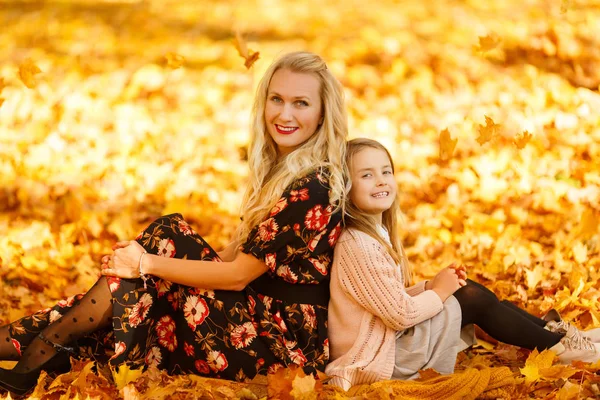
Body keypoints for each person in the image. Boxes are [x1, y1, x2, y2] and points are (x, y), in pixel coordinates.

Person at [0, 51, 349, 396]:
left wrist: (144, 263)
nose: (284, 114)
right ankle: (41, 355)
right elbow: (232, 254)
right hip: (251, 319)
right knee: (137, 284)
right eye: (277, 99)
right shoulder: (286, 170)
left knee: (163, 240)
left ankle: (41, 354)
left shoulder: (314, 186)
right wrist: (142, 269)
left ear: (322, 113)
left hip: (279, 351)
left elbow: (238, 273)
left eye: (300, 103)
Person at [325, 138, 600, 390]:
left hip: (387, 345)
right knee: (471, 298)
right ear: (346, 187)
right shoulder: (358, 244)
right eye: (367, 175)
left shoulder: (373, 235)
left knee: (470, 292)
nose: (381, 181)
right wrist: (439, 292)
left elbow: (383, 302)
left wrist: (429, 287)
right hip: (378, 359)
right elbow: (398, 315)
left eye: (386, 172)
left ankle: (559, 337)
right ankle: (561, 347)